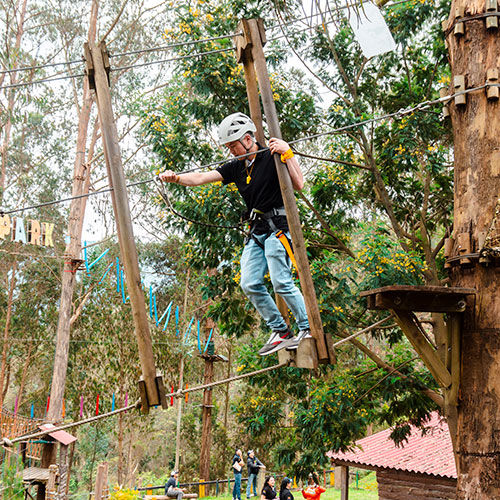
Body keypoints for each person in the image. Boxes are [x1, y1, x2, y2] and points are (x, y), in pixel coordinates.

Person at [159, 112, 311, 356]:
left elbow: (299, 184)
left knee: (281, 281)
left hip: (279, 229)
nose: (231, 151)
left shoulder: (272, 156)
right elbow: (200, 178)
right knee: (249, 283)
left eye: (233, 145)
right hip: (256, 232)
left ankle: (307, 327)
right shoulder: (237, 167)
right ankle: (281, 332)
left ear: (248, 139)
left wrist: (288, 153)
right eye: (228, 146)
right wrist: (175, 178)